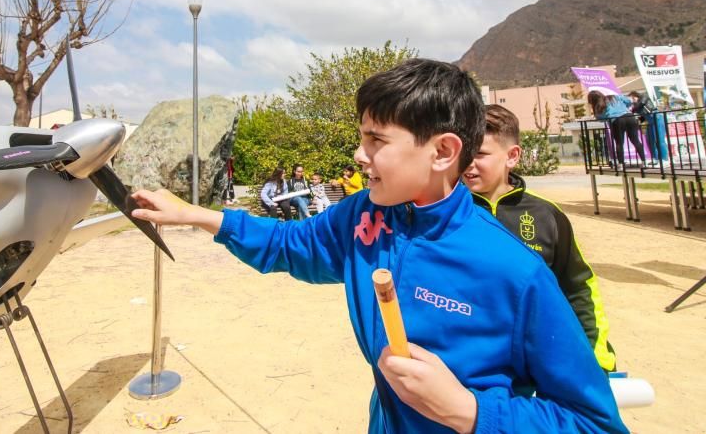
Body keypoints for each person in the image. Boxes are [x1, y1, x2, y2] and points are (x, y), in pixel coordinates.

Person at [132, 58, 626, 433]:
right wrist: (195, 215)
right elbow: (287, 242)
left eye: (376, 140)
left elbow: (596, 422)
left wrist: (471, 412)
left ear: (443, 151)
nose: (358, 154)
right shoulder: (363, 215)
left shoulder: (514, 271)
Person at [464, 104, 617, 372]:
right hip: (473, 365)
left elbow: (579, 286)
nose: (469, 164)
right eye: (464, 153)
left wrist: (596, 356)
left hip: (540, 361)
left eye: (480, 154)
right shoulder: (448, 211)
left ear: (512, 156)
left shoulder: (547, 215)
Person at [588, 89, 645, 167]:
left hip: (617, 121)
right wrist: (625, 107)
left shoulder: (599, 105)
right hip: (629, 117)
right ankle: (644, 161)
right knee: (636, 141)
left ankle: (621, 164)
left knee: (619, 143)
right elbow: (628, 101)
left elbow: (601, 118)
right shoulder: (614, 97)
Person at [628, 90, 669, 165]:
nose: (632, 100)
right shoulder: (636, 106)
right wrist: (640, 124)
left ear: (636, 95)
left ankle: (664, 159)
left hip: (656, 117)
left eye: (633, 98)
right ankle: (655, 158)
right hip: (649, 121)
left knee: (659, 139)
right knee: (650, 140)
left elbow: (641, 104)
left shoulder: (644, 96)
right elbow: (641, 117)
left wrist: (633, 108)